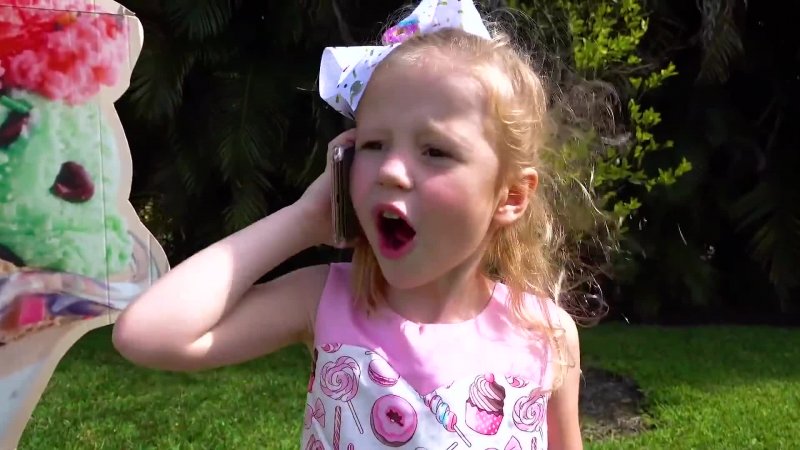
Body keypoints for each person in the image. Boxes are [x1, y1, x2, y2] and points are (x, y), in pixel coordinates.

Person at [113, 1, 590, 448]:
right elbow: (146, 334)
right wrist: (303, 219)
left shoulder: (546, 336)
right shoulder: (325, 301)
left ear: (511, 196)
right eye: (374, 145)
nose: (390, 170)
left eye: (435, 151)